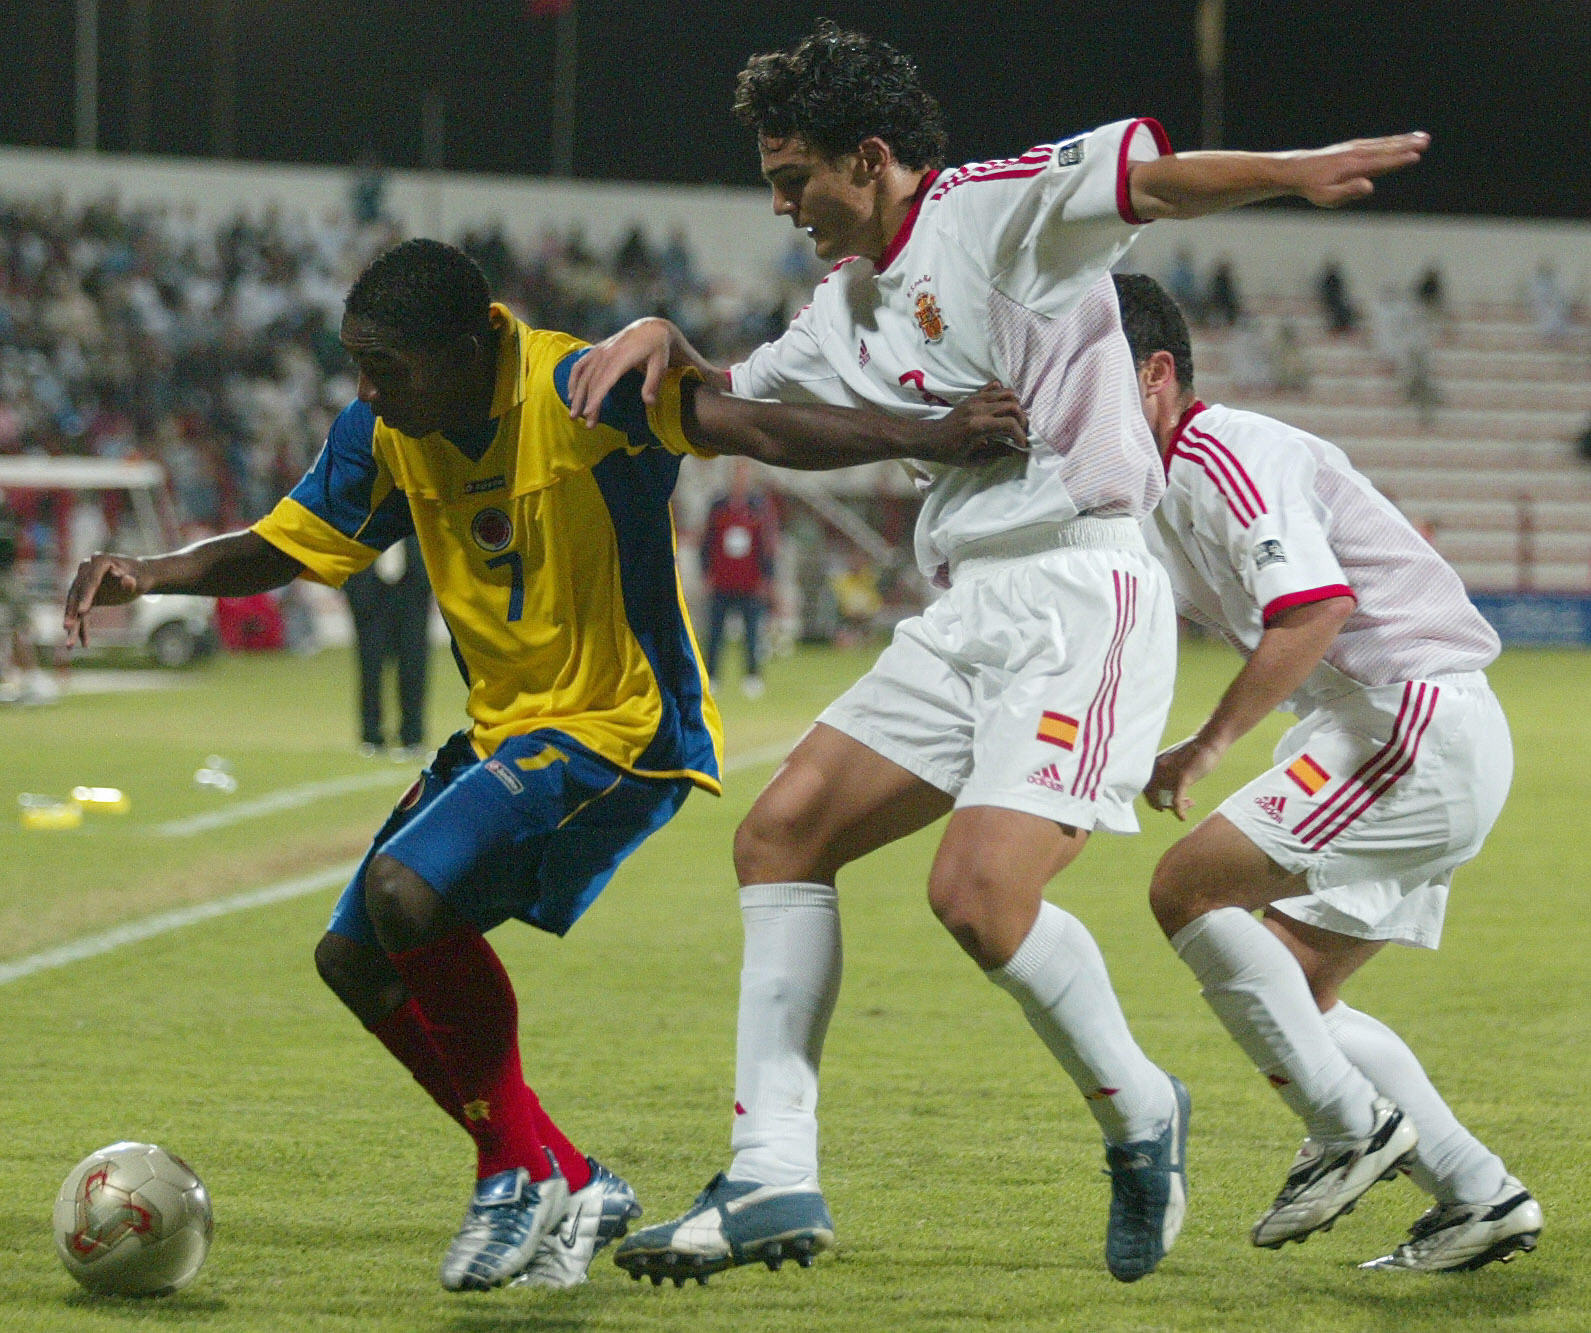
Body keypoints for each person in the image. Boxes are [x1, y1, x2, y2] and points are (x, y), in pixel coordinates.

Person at [567, 20, 1429, 1286]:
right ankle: (769, 1174)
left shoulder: (996, 212)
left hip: (1081, 591)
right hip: (968, 601)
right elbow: (753, 415)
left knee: (975, 896)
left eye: (793, 173)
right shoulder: (843, 303)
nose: (781, 201)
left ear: (869, 159)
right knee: (780, 834)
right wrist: (664, 348)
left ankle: (1140, 1107)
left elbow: (1150, 177)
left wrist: (1290, 171)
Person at [63, 237, 1028, 1295]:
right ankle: (570, 1175)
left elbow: (750, 423)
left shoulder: (586, 387)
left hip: (622, 730)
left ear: (476, 343)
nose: (370, 389)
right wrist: (146, 572)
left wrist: (926, 433)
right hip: (507, 733)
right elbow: (289, 544)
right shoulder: (389, 432)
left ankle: (515, 1170)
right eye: (358, 366)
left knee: (405, 889)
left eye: (390, 366)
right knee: (355, 957)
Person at [1114, 272, 1541, 1273]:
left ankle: (1350, 1129)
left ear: (1157, 374)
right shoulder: (1159, 486)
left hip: (1408, 723)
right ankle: (1478, 1197)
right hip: (1392, 727)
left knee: (1185, 885)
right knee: (1292, 994)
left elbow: (1314, 610)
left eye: (1084, 377)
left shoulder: (1225, 455)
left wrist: (1202, 747)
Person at [344, 531, 433, 757]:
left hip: (411, 590)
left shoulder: (414, 501)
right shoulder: (364, 504)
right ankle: (371, 736)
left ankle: (413, 736)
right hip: (371, 592)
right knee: (370, 667)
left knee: (414, 665)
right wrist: (354, 588)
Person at [700, 459, 779, 696]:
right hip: (722, 582)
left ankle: (752, 676)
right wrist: (706, 572)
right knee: (714, 634)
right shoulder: (718, 506)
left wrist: (768, 577)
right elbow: (707, 542)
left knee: (752, 634)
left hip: (750, 583)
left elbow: (767, 544)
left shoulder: (759, 507)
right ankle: (712, 676)